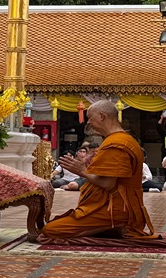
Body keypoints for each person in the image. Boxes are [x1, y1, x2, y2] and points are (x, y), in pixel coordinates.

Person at [39, 100, 156, 239]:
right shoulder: (124, 140)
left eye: (90, 117)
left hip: (115, 209)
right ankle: (111, 227)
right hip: (121, 207)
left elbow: (108, 184)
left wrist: (82, 170)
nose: (88, 123)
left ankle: (115, 224)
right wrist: (89, 167)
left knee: (51, 230)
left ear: (101, 116)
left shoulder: (116, 143)